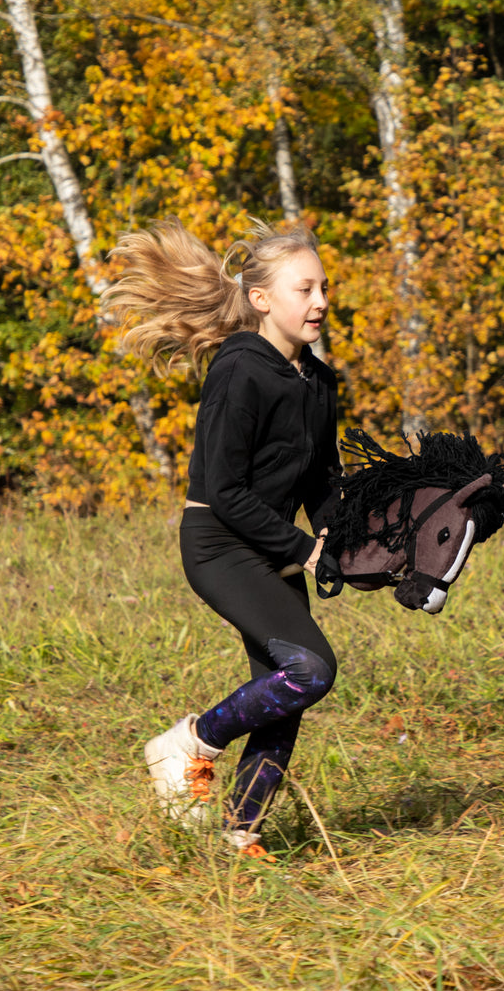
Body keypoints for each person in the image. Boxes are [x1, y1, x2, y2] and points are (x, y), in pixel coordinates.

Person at [103, 218, 341, 861]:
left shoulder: (319, 382)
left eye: (324, 288)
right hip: (220, 544)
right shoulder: (240, 371)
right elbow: (226, 491)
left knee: (284, 691)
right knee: (313, 670)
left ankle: (242, 835)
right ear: (261, 299)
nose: (320, 301)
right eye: (305, 289)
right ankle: (189, 744)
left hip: (274, 549)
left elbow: (323, 479)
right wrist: (302, 549)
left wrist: (344, 537)